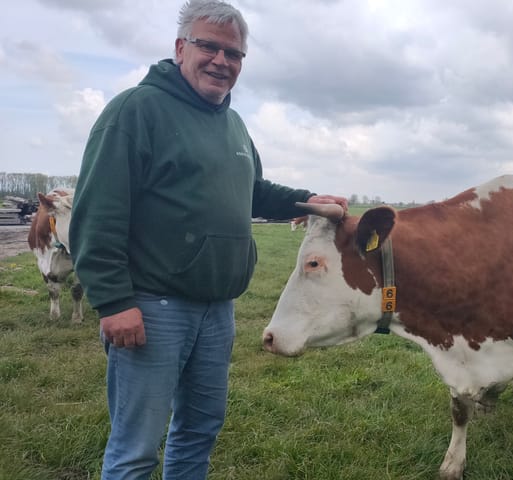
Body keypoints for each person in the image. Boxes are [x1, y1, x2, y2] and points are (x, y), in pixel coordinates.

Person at [69, 1, 348, 478]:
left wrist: (305, 200)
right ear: (181, 48)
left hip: (217, 309)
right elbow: (98, 213)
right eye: (209, 47)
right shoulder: (135, 111)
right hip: (153, 307)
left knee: (199, 430)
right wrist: (114, 301)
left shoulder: (231, 122)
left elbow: (252, 190)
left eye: (234, 54)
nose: (222, 61)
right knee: (136, 447)